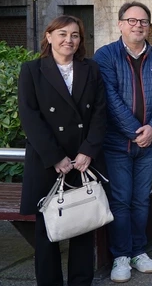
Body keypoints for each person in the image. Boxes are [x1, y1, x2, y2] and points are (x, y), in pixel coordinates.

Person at [18, 15, 107, 286]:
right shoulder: (32, 70)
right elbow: (29, 117)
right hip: (48, 160)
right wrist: (55, 157)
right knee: (47, 233)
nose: (69, 40)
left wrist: (87, 151)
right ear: (49, 36)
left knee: (83, 228)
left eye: (75, 35)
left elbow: (101, 113)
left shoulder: (90, 69)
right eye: (62, 34)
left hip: (82, 160)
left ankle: (81, 283)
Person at [94, 1, 152, 283]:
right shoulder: (105, 56)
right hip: (117, 144)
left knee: (141, 200)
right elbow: (109, 97)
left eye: (143, 21)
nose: (138, 25)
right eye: (132, 20)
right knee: (120, 200)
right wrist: (135, 132)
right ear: (120, 24)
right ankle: (120, 256)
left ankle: (139, 251)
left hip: (148, 145)